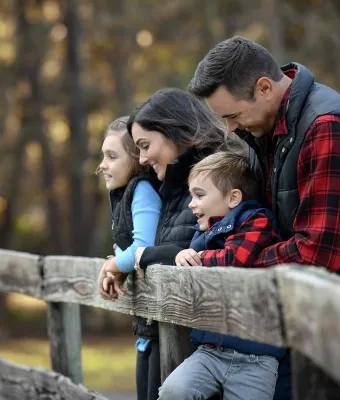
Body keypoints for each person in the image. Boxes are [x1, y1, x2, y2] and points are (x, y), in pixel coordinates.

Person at [188, 35, 340, 298]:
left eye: (233, 116)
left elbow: (318, 254)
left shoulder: (328, 128)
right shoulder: (264, 132)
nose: (230, 129)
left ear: (264, 88)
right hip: (316, 307)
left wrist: (227, 260)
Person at [98, 88, 242, 400]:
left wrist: (125, 261)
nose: (143, 158)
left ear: (173, 131)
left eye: (145, 145)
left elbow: (196, 256)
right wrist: (123, 264)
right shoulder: (171, 189)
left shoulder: (214, 183)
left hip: (207, 349)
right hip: (165, 335)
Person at [158, 151, 284, 400]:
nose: (191, 203)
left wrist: (197, 259)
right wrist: (183, 257)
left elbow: (234, 260)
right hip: (211, 349)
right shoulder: (203, 234)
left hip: (257, 357)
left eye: (199, 195)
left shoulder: (256, 221)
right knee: (174, 390)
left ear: (233, 197)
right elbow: (190, 271)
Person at [97, 116, 162, 400]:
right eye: (103, 156)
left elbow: (143, 246)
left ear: (136, 159)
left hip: (160, 321)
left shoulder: (142, 191)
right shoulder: (125, 195)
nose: (102, 164)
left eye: (112, 156)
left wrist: (112, 264)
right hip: (145, 321)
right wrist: (119, 266)